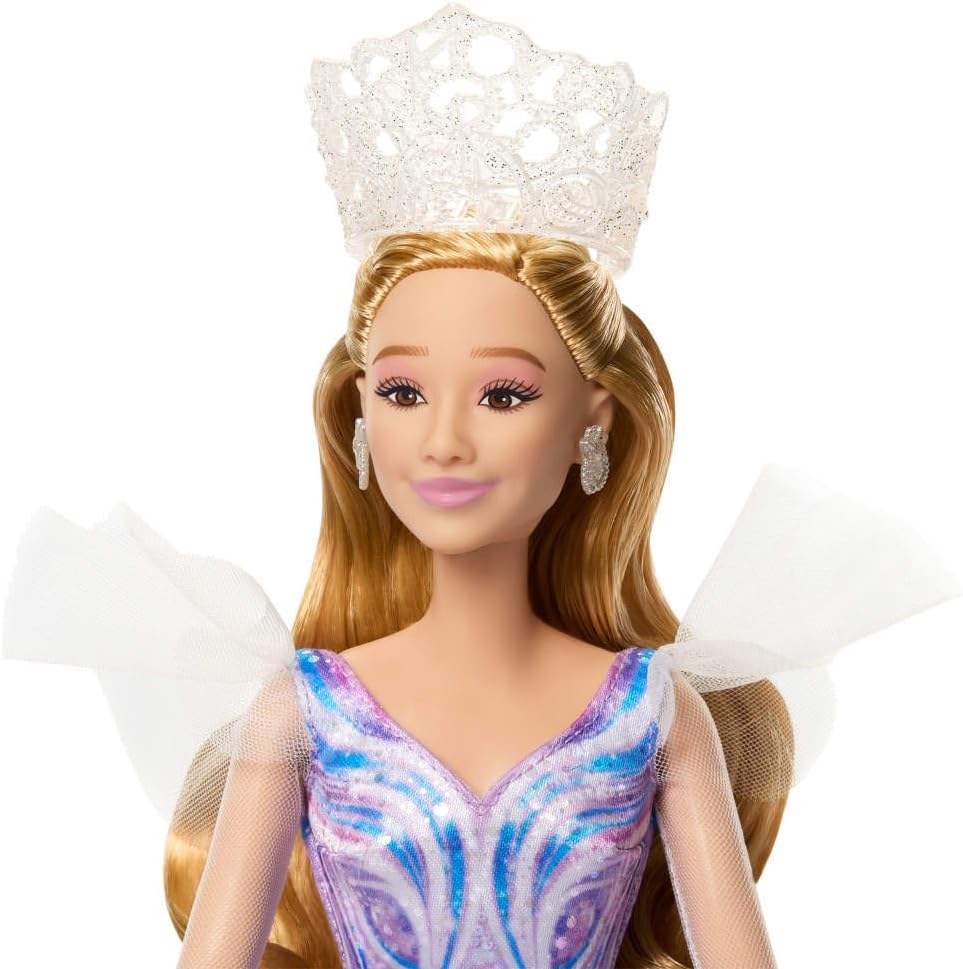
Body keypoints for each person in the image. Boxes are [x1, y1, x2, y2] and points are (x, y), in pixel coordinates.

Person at [3, 5, 960, 968]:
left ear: (592, 420)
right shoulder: (304, 712)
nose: (445, 441)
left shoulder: (652, 714)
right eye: (403, 392)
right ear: (359, 416)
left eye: (504, 394)